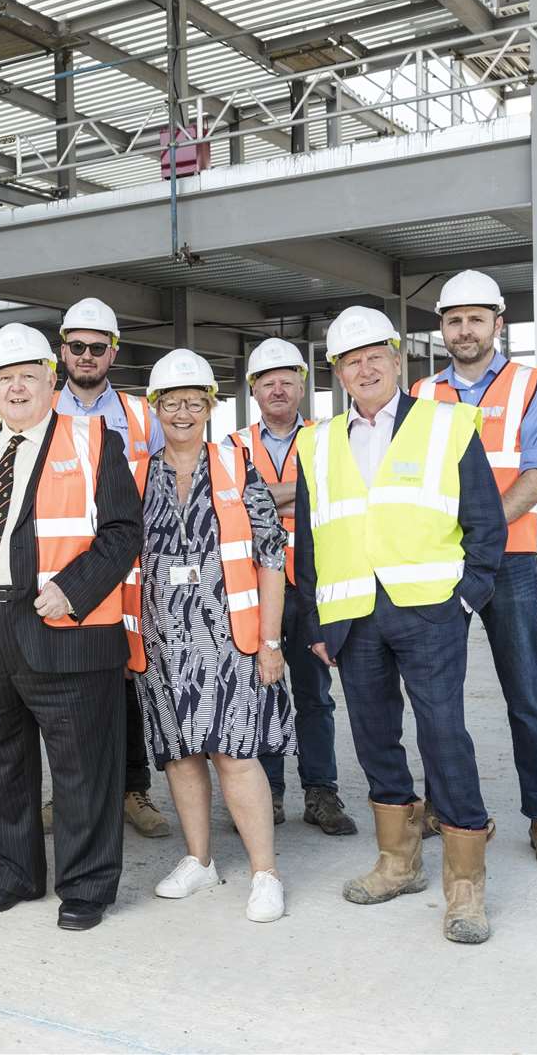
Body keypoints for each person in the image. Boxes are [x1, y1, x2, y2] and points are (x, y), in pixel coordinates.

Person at [292, 306, 506, 944]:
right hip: (353, 614)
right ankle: (398, 862)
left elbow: (485, 523)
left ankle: (464, 887)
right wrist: (316, 619)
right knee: (375, 738)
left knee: (444, 735)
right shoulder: (317, 442)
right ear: (337, 372)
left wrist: (467, 597)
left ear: (396, 358)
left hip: (429, 610)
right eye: (349, 360)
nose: (364, 367)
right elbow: (307, 540)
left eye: (374, 355)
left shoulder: (446, 425)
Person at [0, 323, 141, 932]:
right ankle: (12, 874)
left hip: (65, 625)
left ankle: (85, 886)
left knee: (82, 764)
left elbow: (123, 531)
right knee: (0, 759)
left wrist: (73, 590)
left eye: (29, 375)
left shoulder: (93, 439)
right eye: (5, 378)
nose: (17, 387)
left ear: (52, 381)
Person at [410, 270, 537, 867]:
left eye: (476, 319)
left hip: (510, 563)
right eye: (454, 320)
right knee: (435, 692)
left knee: (526, 690)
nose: (465, 330)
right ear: (443, 329)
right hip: (439, 563)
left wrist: (483, 531)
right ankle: (442, 803)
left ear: (498, 324)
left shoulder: (532, 386)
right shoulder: (424, 395)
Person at [138, 349, 295, 923]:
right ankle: (199, 861)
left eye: (194, 401)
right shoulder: (139, 472)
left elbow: (272, 555)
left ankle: (264, 873)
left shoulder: (237, 466)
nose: (182, 412)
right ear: (155, 407)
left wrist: (271, 642)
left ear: (210, 406)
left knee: (234, 753)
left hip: (229, 640)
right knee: (180, 756)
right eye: (171, 402)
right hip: (162, 643)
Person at [48, 296, 171, 840]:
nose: (87, 356)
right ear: (62, 351)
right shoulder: (43, 411)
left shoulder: (142, 415)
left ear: (113, 353)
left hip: (135, 564)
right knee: (66, 682)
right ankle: (66, 793)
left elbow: (169, 481)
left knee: (130, 676)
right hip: (67, 567)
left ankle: (132, 789)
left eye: (98, 348)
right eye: (77, 347)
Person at [231, 337, 356, 836]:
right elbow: (233, 504)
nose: (278, 389)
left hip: (312, 587)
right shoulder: (233, 446)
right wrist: (297, 494)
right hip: (254, 590)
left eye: (287, 380)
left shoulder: (329, 437)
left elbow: (339, 495)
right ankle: (271, 793)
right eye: (268, 381)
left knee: (315, 693)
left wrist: (261, 496)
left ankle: (321, 791)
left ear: (303, 385)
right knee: (261, 691)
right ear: (253, 390)